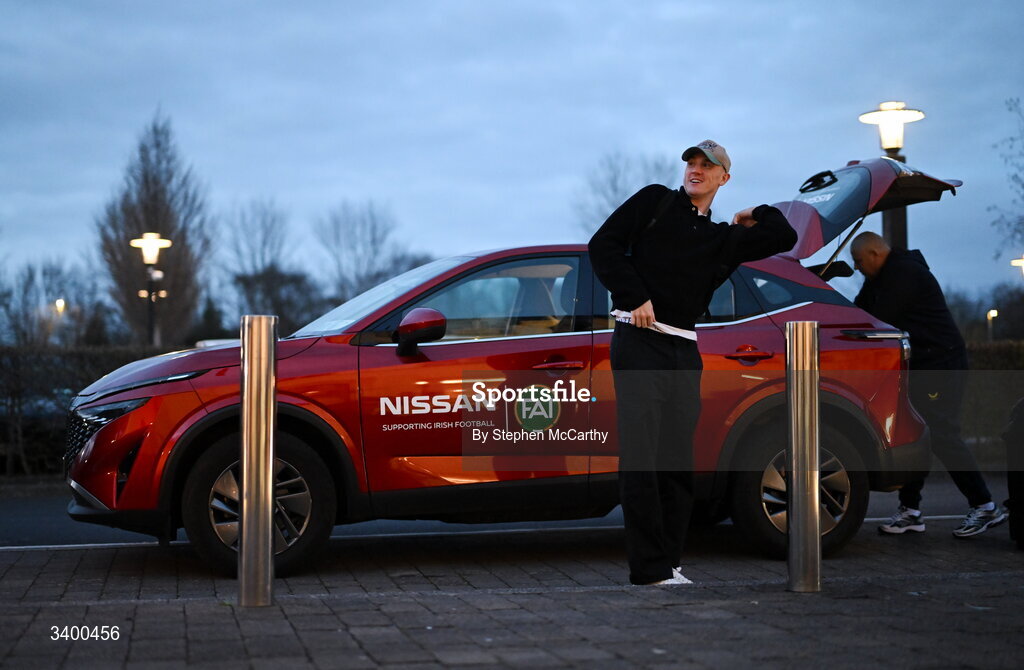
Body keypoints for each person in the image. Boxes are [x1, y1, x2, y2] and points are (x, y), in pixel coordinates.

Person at [588, 140, 797, 586]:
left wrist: (753, 213)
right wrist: (633, 295)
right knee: (642, 460)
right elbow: (602, 245)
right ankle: (649, 568)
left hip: (684, 352)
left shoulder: (722, 239)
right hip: (639, 344)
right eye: (692, 163)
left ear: (724, 177)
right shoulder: (654, 202)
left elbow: (784, 236)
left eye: (709, 165)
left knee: (678, 461)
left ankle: (671, 561)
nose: (696, 170)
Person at [850, 231, 1006, 537]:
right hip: (925, 365)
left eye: (857, 261)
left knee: (942, 433)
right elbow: (858, 312)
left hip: (941, 365)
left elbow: (879, 319)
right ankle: (910, 511)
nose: (856, 268)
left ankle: (985, 506)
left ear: (873, 254)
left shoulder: (903, 274)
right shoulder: (881, 277)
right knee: (916, 432)